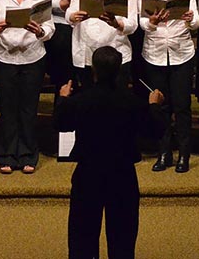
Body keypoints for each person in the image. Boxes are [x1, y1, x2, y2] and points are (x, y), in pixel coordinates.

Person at [55, 46, 165, 259]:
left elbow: (60, 123)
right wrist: (153, 106)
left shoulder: (81, 100)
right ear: (119, 71)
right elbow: (156, 131)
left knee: (82, 238)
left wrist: (64, 99)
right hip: (122, 174)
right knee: (122, 239)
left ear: (93, 70)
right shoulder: (132, 102)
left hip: (88, 173)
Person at [0, 0, 55, 174]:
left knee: (28, 108)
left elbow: (50, 28)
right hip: (4, 56)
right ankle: (6, 155)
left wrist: (40, 30)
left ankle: (27, 155)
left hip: (32, 56)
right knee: (7, 108)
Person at [137, 0, 199, 173]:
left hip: (181, 53)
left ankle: (184, 154)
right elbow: (142, 24)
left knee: (182, 106)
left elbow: (197, 23)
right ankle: (164, 153)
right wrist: (152, 22)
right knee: (160, 106)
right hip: (154, 54)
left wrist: (191, 19)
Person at [65, 0, 138, 89]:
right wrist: (74, 16)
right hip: (86, 54)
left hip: (115, 55)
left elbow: (132, 25)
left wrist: (116, 23)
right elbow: (69, 14)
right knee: (89, 102)